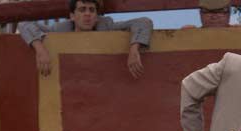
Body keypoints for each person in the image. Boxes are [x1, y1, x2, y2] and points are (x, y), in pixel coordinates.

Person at [17, 0, 153, 79]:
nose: (87, 14)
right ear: (72, 16)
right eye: (82, 10)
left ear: (96, 16)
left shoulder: (106, 26)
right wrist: (40, 49)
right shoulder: (61, 29)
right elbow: (24, 24)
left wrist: (134, 48)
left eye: (92, 10)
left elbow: (144, 22)